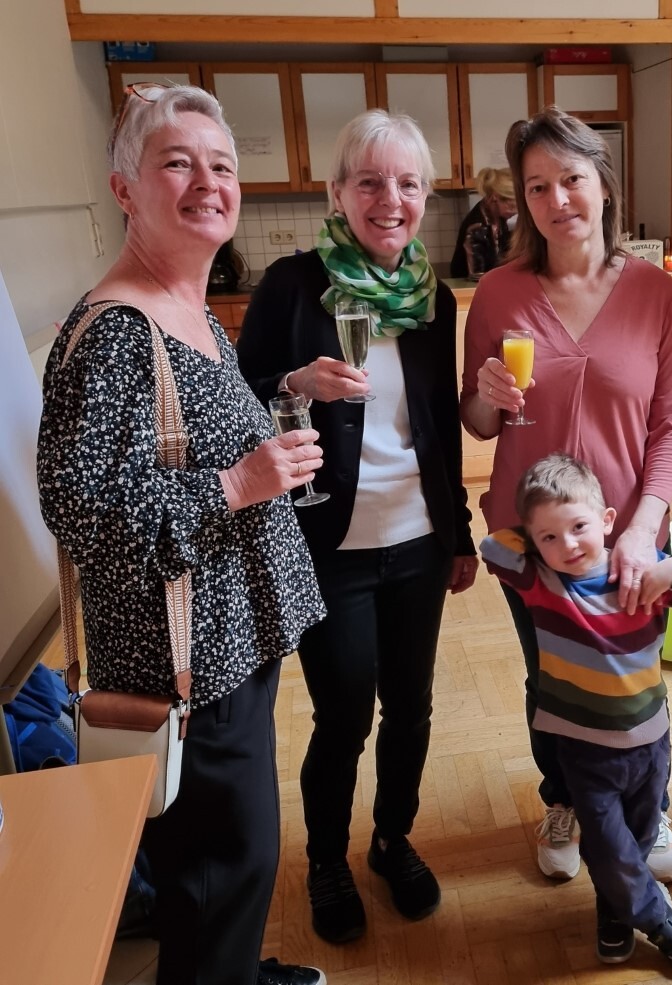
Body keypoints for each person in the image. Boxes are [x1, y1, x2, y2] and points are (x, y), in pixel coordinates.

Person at [36, 84, 328, 985]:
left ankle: (237, 968)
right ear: (125, 189)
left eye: (222, 165)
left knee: (232, 863)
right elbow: (85, 513)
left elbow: (185, 439)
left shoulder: (187, 310)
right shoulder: (120, 333)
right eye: (178, 162)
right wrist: (239, 483)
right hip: (184, 666)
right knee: (219, 869)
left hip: (228, 649)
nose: (208, 181)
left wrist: (271, 419)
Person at [237, 109, 478, 947]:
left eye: (408, 183)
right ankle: (327, 859)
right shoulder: (290, 286)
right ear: (337, 192)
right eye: (370, 181)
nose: (390, 199)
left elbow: (439, 427)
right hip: (328, 547)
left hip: (418, 539)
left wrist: (459, 532)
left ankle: (391, 839)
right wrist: (294, 384)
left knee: (411, 709)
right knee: (343, 717)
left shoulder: (432, 297)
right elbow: (238, 407)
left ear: (425, 197)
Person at [460, 106, 672, 884]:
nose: (557, 199)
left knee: (635, 675)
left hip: (626, 533)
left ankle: (646, 807)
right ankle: (562, 797)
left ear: (604, 185)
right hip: (532, 538)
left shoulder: (656, 294)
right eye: (537, 186)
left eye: (571, 179)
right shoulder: (498, 293)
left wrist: (644, 529)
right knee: (549, 678)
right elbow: (478, 421)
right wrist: (487, 393)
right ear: (522, 199)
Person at [480, 454, 672, 969]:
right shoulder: (541, 581)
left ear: (608, 520)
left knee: (636, 840)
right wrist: (537, 538)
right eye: (549, 537)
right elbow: (493, 546)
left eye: (579, 527)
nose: (568, 545)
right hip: (584, 751)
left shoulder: (643, 573)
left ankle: (613, 910)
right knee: (609, 847)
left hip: (650, 743)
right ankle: (657, 920)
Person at [449, 166, 517, 278]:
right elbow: (477, 275)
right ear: (495, 198)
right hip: (467, 285)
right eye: (512, 206)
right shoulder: (476, 226)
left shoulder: (499, 218)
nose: (515, 211)